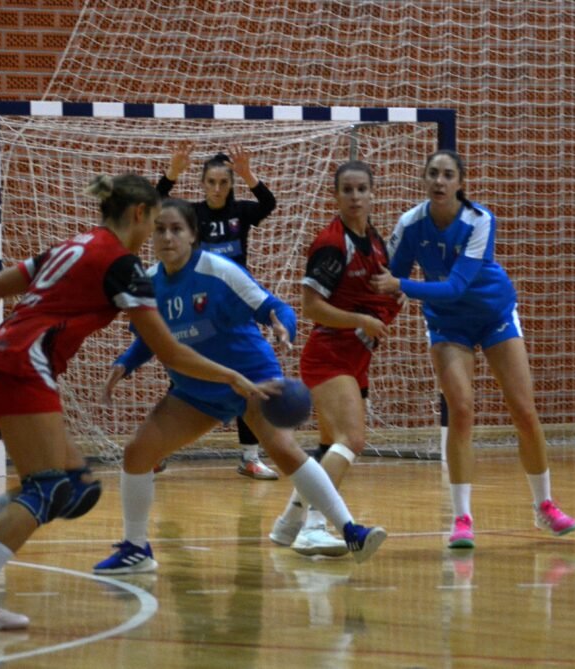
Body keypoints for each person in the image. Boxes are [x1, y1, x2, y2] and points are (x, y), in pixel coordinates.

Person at [0, 174, 268, 631]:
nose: (154, 237)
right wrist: (231, 376)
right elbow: (168, 351)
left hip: (3, 360)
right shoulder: (121, 265)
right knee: (47, 489)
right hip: (23, 365)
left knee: (75, 485)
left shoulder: (75, 245)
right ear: (139, 214)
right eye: (154, 224)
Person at [92, 198, 387, 576]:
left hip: (252, 380)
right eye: (160, 229)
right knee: (137, 452)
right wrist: (124, 363)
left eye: (176, 229)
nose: (167, 237)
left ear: (193, 235)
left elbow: (277, 308)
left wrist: (283, 329)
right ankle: (136, 549)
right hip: (197, 389)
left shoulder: (219, 270)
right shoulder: (147, 285)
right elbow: (152, 339)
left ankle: (350, 530)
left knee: (283, 450)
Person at [370, 149, 575, 549]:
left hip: (493, 313)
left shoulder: (479, 220)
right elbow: (388, 280)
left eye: (448, 174)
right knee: (461, 410)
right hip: (447, 324)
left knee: (524, 410)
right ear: (423, 179)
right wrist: (370, 319)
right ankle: (462, 518)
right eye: (433, 173)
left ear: (460, 183)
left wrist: (401, 287)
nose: (439, 181)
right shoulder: (410, 224)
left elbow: (454, 287)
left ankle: (545, 505)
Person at [270, 161, 402, 557]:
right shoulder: (331, 243)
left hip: (355, 356)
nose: (355, 196)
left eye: (362, 189)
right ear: (336, 195)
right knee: (352, 440)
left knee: (329, 446)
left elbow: (380, 295)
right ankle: (313, 527)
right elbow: (311, 306)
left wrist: (395, 294)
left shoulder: (375, 242)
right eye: (347, 189)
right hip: (329, 354)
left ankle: (289, 521)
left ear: (373, 193)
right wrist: (362, 319)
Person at [156, 143, 279, 479]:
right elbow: (155, 205)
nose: (217, 188)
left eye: (224, 182)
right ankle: (157, 450)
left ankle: (249, 457)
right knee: (186, 374)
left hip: (235, 310)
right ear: (202, 184)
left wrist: (248, 175)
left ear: (231, 185)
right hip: (199, 308)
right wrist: (171, 174)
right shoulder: (192, 215)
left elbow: (268, 204)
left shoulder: (241, 211)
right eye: (211, 182)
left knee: (247, 379)